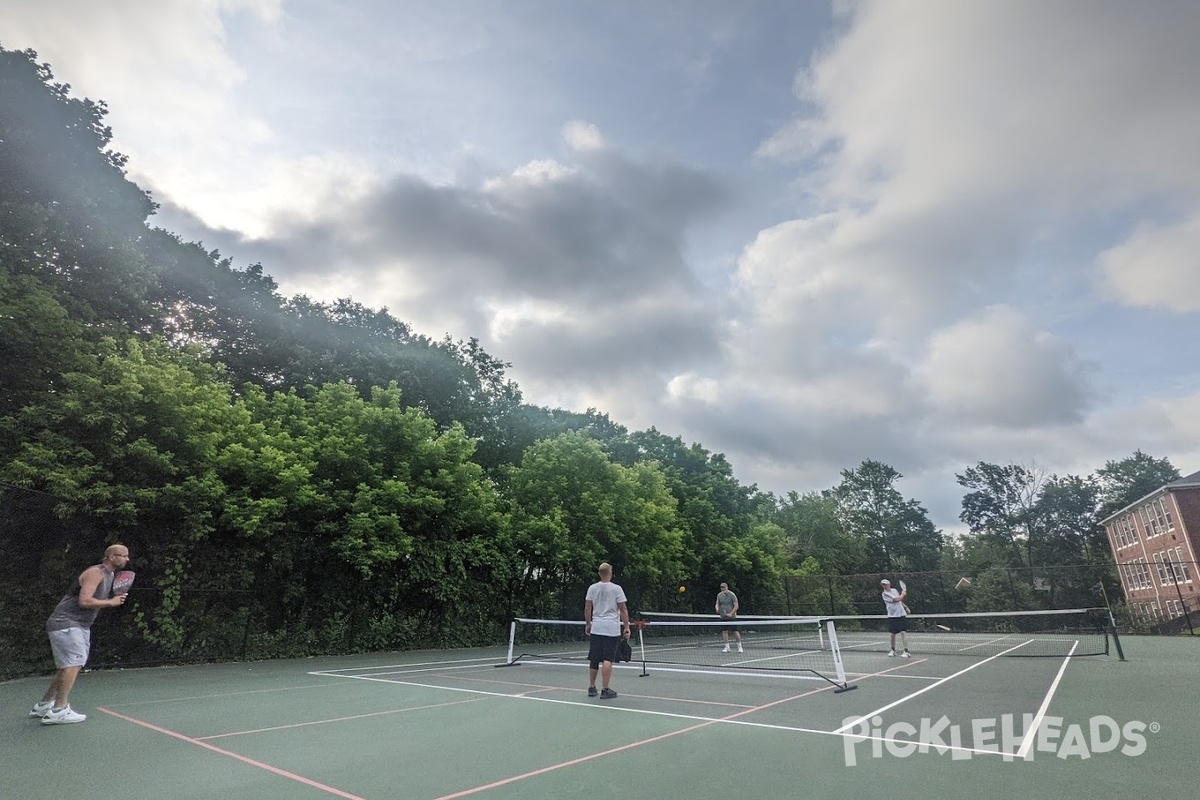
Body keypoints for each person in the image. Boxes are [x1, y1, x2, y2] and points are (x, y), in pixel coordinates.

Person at [31, 544, 131, 724]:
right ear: (111, 557)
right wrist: (111, 602)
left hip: (79, 625)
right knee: (73, 663)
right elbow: (84, 600)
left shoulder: (110, 575)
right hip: (67, 623)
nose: (127, 559)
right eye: (123, 556)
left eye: (127, 556)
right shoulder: (96, 572)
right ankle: (59, 710)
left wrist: (111, 601)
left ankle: (44, 705)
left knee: (67, 666)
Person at [584, 562, 630, 699]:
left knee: (594, 658)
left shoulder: (592, 588)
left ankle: (591, 687)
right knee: (608, 658)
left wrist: (588, 624)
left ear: (599, 574)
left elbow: (587, 608)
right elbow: (623, 609)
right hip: (611, 628)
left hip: (597, 627)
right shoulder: (617, 589)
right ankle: (605, 689)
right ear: (610, 574)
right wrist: (627, 626)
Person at [880, 578, 910, 658]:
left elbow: (900, 601)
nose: (884, 586)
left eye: (885, 584)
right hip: (892, 615)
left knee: (903, 632)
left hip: (901, 614)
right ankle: (893, 650)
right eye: (883, 585)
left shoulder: (894, 591)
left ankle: (906, 651)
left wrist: (905, 607)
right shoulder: (884, 594)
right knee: (892, 634)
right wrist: (903, 594)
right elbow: (897, 599)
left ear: (889, 585)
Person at [715, 582, 742, 653]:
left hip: (732, 617)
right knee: (724, 631)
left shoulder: (732, 595)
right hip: (723, 617)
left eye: (724, 588)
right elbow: (717, 604)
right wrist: (717, 609)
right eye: (722, 588)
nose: (723, 589)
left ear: (727, 587)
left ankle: (739, 647)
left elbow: (736, 606)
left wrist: (731, 613)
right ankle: (727, 647)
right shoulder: (719, 595)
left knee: (735, 632)